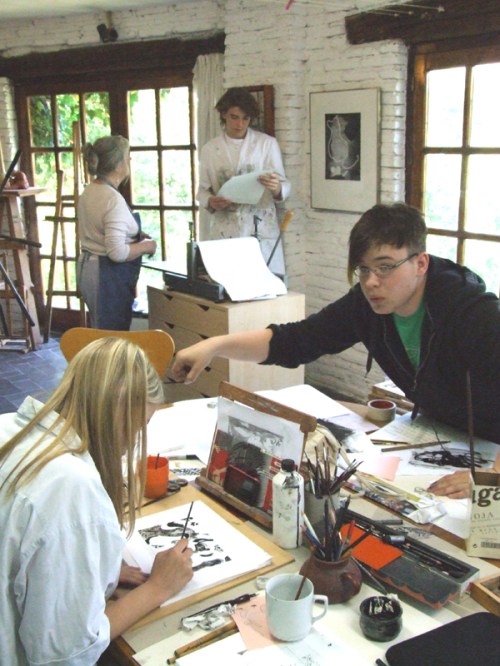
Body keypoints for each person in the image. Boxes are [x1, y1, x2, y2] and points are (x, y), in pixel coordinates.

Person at [171, 203, 500, 500]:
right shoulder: (367, 305)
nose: (371, 282)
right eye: (364, 269)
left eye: (385, 267)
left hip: (490, 446)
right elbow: (296, 340)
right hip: (439, 437)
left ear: (421, 263)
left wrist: (493, 476)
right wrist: (215, 346)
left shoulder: (472, 312)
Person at [0, 338, 193, 664]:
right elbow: (66, 656)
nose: (133, 440)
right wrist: (158, 588)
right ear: (120, 416)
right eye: (140, 426)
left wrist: (95, 568)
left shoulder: (11, 426)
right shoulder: (70, 488)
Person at [197, 87, 291, 275]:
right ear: (224, 114)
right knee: (227, 282)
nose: (239, 124)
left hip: (260, 226)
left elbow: (284, 184)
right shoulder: (210, 149)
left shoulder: (266, 144)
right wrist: (211, 201)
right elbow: (202, 190)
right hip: (225, 227)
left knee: (264, 282)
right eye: (234, 117)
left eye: (245, 118)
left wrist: (276, 187)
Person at [77, 135, 157, 330]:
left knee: (102, 332)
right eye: (127, 155)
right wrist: (148, 246)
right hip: (106, 278)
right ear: (118, 163)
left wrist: (133, 234)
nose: (129, 160)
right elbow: (117, 252)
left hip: (90, 269)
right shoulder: (112, 199)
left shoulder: (91, 190)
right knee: (112, 337)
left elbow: (100, 229)